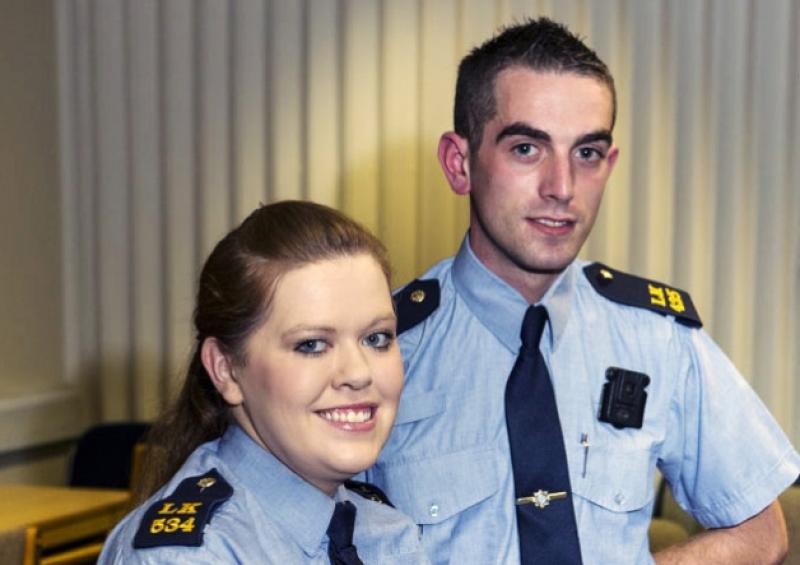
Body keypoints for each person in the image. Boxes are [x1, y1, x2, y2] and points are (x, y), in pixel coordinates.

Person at [364, 17, 800, 565]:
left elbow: (762, 531)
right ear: (460, 163)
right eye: (527, 148)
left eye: (587, 154)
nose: (562, 188)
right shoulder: (379, 350)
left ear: (609, 165)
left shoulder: (654, 337)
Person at [100, 201, 429, 564]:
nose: (358, 373)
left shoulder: (387, 533)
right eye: (312, 345)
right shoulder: (190, 556)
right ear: (225, 369)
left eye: (377, 338)